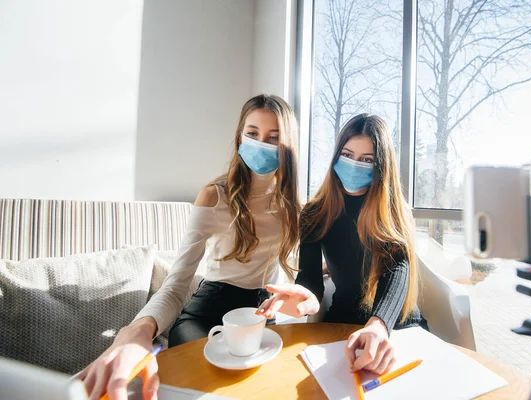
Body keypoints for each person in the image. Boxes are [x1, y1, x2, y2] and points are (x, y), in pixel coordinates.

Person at [80, 94, 300, 400]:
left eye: (273, 138)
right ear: (239, 137)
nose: (261, 144)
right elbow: (178, 282)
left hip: (260, 316)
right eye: (252, 134)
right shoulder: (214, 196)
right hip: (208, 311)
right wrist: (137, 332)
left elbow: (295, 273)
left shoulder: (293, 206)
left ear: (288, 146)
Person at [257, 113, 422, 375]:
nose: (354, 165)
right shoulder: (313, 213)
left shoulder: (394, 211)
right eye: (347, 154)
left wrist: (379, 325)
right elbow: (310, 281)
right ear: (336, 157)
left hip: (396, 325)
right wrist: (307, 298)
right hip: (342, 320)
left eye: (367, 160)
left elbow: (398, 267)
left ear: (381, 167)